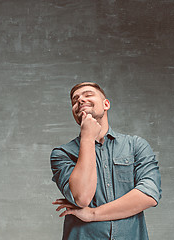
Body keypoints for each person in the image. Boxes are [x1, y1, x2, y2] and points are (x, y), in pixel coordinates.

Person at [50, 82, 162, 240]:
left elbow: (149, 195)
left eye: (88, 95)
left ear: (106, 104)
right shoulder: (62, 154)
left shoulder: (136, 146)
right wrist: (88, 138)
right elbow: (82, 198)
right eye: (75, 100)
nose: (80, 100)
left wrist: (92, 214)